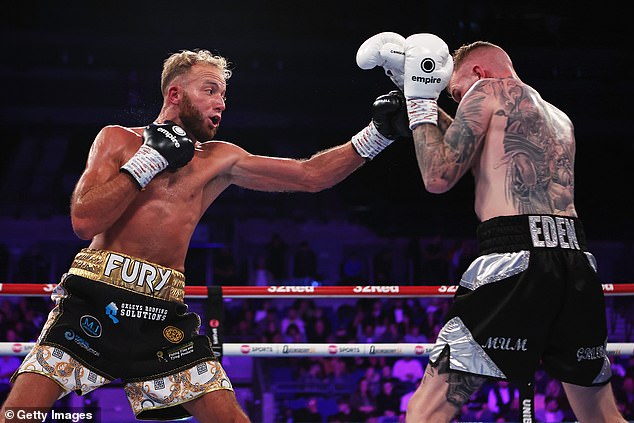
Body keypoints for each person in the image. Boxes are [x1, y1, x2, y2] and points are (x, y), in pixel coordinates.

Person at [0, 48, 411, 422]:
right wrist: (148, 161)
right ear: (175, 94)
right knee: (19, 416)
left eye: (224, 96)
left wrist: (377, 135)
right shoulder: (118, 139)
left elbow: (310, 176)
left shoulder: (218, 159)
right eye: (210, 90)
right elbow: (83, 222)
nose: (220, 103)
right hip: (93, 299)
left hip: (161, 315)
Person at [356, 33, 627, 422]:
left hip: (514, 261)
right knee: (601, 415)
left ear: (479, 72)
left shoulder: (484, 90)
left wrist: (418, 103)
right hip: (576, 263)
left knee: (425, 410)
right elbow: (475, 151)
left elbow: (438, 175)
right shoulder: (557, 117)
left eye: (455, 91)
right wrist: (416, 96)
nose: (457, 99)